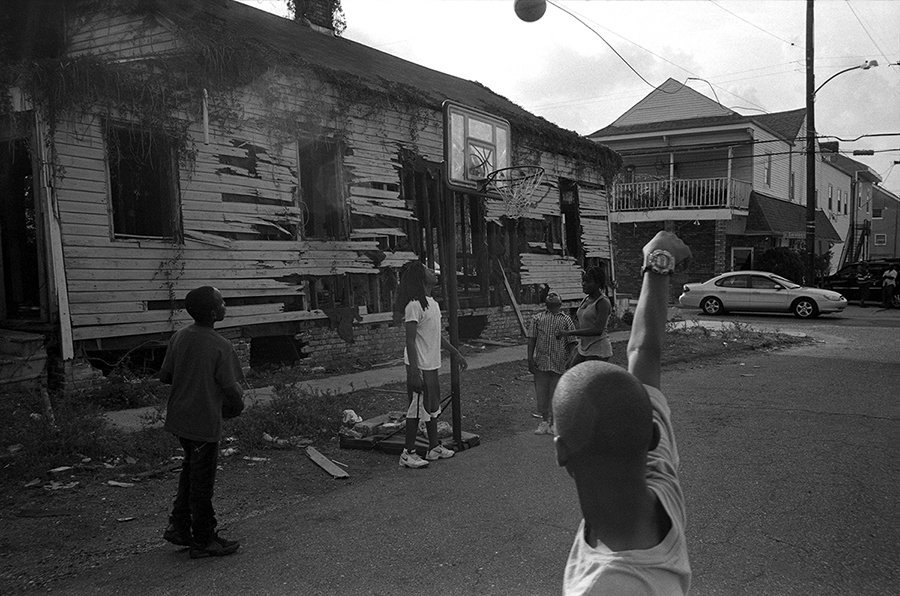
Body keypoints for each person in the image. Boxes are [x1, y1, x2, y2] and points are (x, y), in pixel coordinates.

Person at [553, 231, 693, 595]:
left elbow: (643, 351)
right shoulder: (662, 485)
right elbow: (644, 350)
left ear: (562, 453)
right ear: (652, 436)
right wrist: (658, 262)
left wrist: (659, 257)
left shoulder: (607, 588)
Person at [158, 286, 246, 558]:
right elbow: (231, 389)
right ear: (212, 312)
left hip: (180, 420)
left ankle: (179, 527)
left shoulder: (180, 337)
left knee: (189, 472)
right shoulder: (221, 346)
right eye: (221, 302)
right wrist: (236, 406)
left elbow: (166, 376)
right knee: (202, 482)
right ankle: (204, 539)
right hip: (203, 423)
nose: (224, 306)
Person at [395, 261, 468, 469]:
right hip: (418, 366)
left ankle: (433, 447)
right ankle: (407, 453)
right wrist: (414, 372)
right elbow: (409, 340)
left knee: (431, 407)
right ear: (420, 278)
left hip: (431, 364)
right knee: (415, 410)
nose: (432, 271)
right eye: (427, 269)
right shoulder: (413, 306)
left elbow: (437, 336)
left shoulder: (432, 303)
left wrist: (456, 353)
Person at [527, 291, 576, 435]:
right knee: (542, 393)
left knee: (555, 392)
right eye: (549, 296)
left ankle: (555, 423)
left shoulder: (566, 320)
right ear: (545, 303)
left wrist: (570, 360)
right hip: (541, 363)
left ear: (560, 303)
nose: (552, 295)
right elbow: (531, 340)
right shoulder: (537, 318)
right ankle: (544, 421)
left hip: (559, 363)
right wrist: (530, 359)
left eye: (555, 296)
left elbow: (572, 342)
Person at [559, 266, 613, 365]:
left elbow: (597, 330)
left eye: (588, 281)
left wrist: (569, 333)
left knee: (584, 377)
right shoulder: (586, 299)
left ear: (598, 283)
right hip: (584, 348)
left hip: (599, 349)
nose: (584, 284)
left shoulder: (603, 302)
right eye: (583, 281)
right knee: (570, 373)